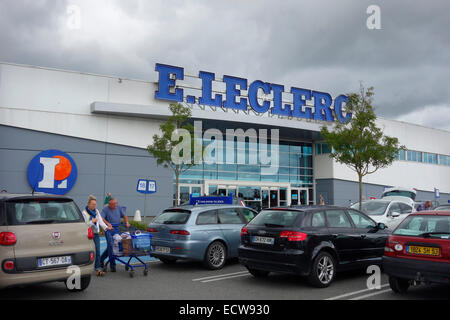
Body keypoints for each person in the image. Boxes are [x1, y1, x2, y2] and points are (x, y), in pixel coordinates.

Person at [82, 195, 110, 276]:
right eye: (92, 204)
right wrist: (92, 222)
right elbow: (84, 225)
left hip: (96, 234)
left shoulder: (96, 211)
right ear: (88, 204)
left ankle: (97, 267)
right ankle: (85, 266)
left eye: (95, 204)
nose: (94, 206)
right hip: (88, 234)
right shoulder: (84, 213)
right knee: (89, 251)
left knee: (97, 251)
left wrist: (106, 227)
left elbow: (100, 221)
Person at [100, 197, 130, 272]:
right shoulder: (105, 209)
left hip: (117, 228)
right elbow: (101, 218)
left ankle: (101, 259)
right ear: (109, 204)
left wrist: (127, 222)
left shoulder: (119, 208)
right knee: (111, 245)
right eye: (113, 204)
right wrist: (107, 224)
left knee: (114, 245)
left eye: (116, 203)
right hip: (109, 229)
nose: (115, 205)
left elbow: (125, 216)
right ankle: (113, 265)